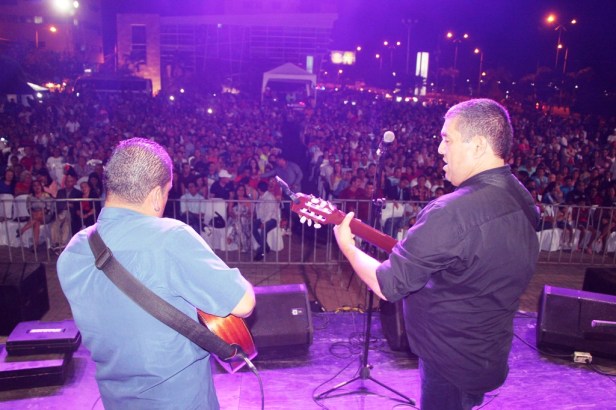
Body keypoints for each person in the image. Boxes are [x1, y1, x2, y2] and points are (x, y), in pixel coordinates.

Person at [333, 99, 540, 410]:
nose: (441, 150)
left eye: (447, 139)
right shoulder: (521, 197)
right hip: (490, 352)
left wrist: (348, 248)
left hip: (449, 362)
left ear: (479, 145)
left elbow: (387, 284)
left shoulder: (451, 211)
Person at [57, 138, 255, 410]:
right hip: (181, 400)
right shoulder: (171, 238)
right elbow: (243, 304)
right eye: (167, 192)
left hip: (116, 401)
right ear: (155, 195)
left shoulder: (73, 253)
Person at [252, 180, 279, 261]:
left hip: (272, 219)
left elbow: (270, 213)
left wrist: (264, 222)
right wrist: (258, 220)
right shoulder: (261, 197)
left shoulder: (269, 197)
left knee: (263, 231)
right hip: (262, 218)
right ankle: (266, 247)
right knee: (253, 229)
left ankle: (261, 253)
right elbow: (259, 211)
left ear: (259, 189)